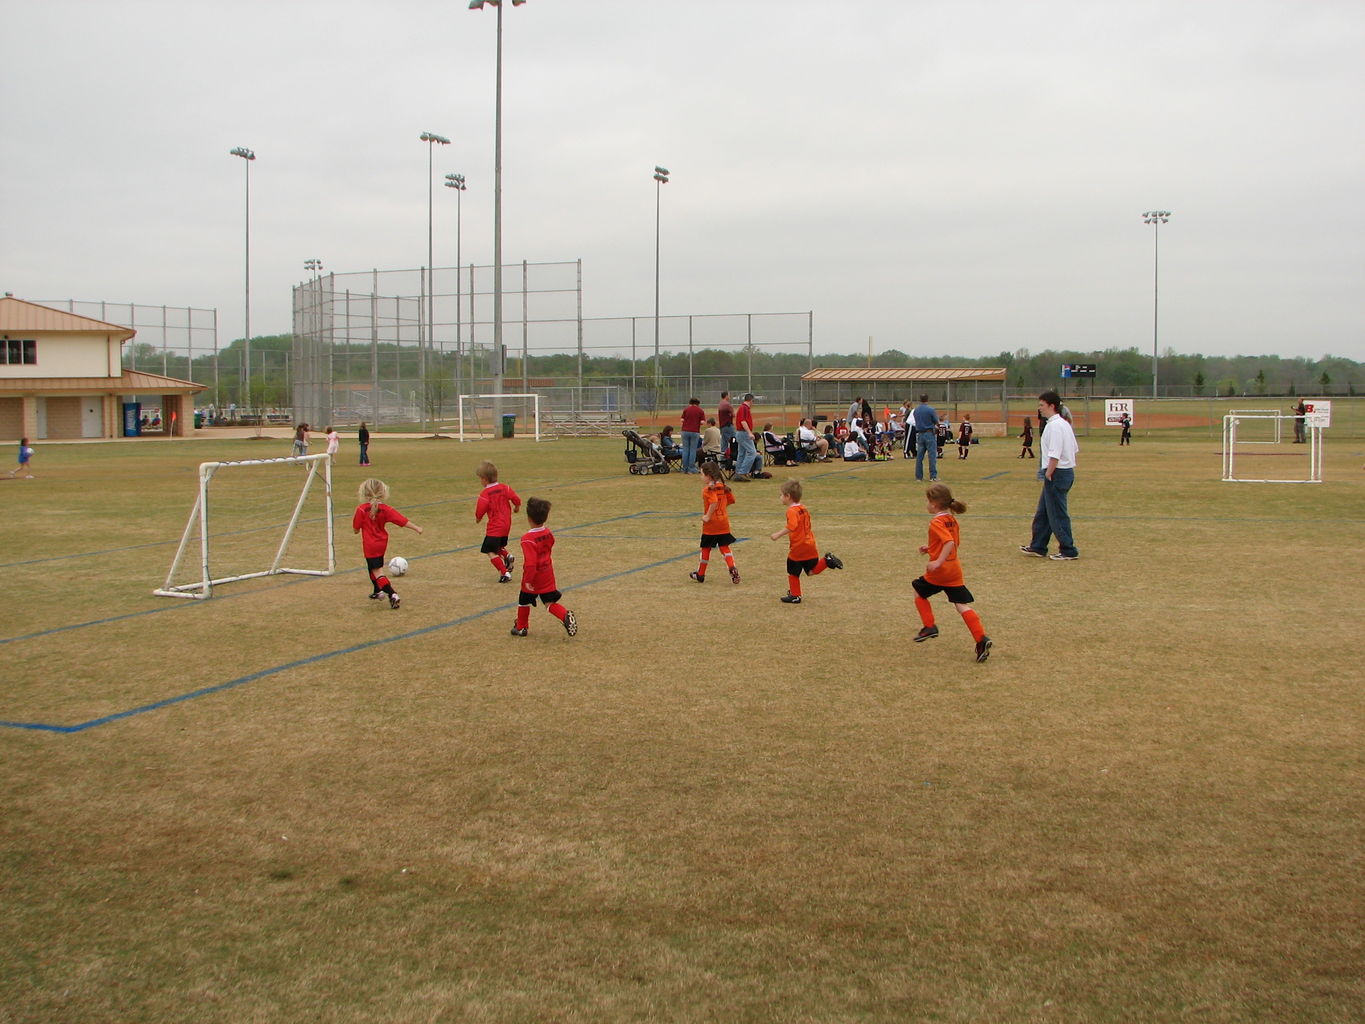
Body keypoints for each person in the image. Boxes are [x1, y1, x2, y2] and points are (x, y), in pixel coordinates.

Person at [911, 482, 992, 662]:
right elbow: (952, 543)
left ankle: (929, 626)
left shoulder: (936, 521)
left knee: (918, 591)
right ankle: (981, 639)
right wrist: (931, 548)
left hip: (941, 570)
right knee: (961, 604)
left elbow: (948, 543)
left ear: (934, 503)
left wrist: (937, 561)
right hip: (954, 569)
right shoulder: (952, 520)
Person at [1020, 390, 1080, 561]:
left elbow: (1055, 453)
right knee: (1044, 512)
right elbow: (1074, 449)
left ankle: (1068, 550)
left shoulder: (1054, 426)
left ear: (1052, 406)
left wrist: (1049, 472)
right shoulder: (1064, 424)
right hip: (1064, 471)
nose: (1039, 409)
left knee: (1057, 514)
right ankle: (1038, 545)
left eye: (1042, 405)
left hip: (1057, 473)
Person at [511, 497, 577, 637]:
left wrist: (528, 580)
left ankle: (521, 627)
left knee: (523, 600)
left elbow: (530, 563)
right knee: (549, 602)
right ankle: (564, 614)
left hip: (534, 576)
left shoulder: (527, 539)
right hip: (547, 573)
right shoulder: (547, 532)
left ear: (529, 518)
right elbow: (551, 543)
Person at [353, 478, 423, 609]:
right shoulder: (385, 509)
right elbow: (401, 520)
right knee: (372, 567)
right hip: (381, 543)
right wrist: (417, 528)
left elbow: (356, 529)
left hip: (370, 544)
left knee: (377, 571)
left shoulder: (361, 510)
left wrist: (358, 528)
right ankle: (377, 591)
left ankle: (392, 594)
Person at [770, 478, 842, 604]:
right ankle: (826, 561)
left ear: (788, 496)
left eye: (781, 495)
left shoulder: (791, 511)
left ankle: (795, 595)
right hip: (810, 544)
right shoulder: (803, 508)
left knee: (792, 571)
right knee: (811, 570)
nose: (780, 497)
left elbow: (792, 526)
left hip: (799, 546)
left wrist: (777, 535)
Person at [690, 460, 741, 584]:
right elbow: (732, 500)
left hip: (711, 525)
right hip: (723, 523)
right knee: (724, 547)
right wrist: (722, 508)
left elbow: (713, 502)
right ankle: (732, 567)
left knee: (705, 549)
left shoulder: (708, 490)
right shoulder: (723, 488)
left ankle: (700, 574)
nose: (700, 476)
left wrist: (707, 516)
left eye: (701, 474)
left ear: (709, 475)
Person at [474, 460, 522, 583]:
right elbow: (515, 498)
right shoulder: (504, 487)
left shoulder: (485, 493)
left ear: (484, 479)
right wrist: (516, 507)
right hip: (506, 525)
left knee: (490, 550)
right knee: (498, 546)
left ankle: (504, 572)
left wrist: (478, 517)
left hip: (495, 526)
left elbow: (481, 508)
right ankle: (507, 556)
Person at [732, 393, 763, 481]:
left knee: (741, 454)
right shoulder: (744, 408)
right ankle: (742, 472)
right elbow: (743, 421)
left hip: (741, 433)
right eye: (753, 401)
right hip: (743, 433)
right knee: (752, 452)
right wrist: (749, 432)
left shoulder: (744, 408)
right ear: (751, 400)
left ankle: (738, 473)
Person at [911, 394, 939, 481]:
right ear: (927, 399)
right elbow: (936, 421)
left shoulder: (916, 410)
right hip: (929, 433)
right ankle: (933, 476)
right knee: (932, 456)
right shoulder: (930, 409)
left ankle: (919, 477)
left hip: (920, 434)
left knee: (919, 456)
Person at [679, 398, 705, 474]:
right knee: (692, 450)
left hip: (685, 431)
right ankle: (691, 468)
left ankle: (684, 468)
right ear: (697, 403)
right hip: (694, 431)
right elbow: (702, 422)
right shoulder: (700, 410)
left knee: (685, 449)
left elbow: (682, 420)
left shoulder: (686, 410)